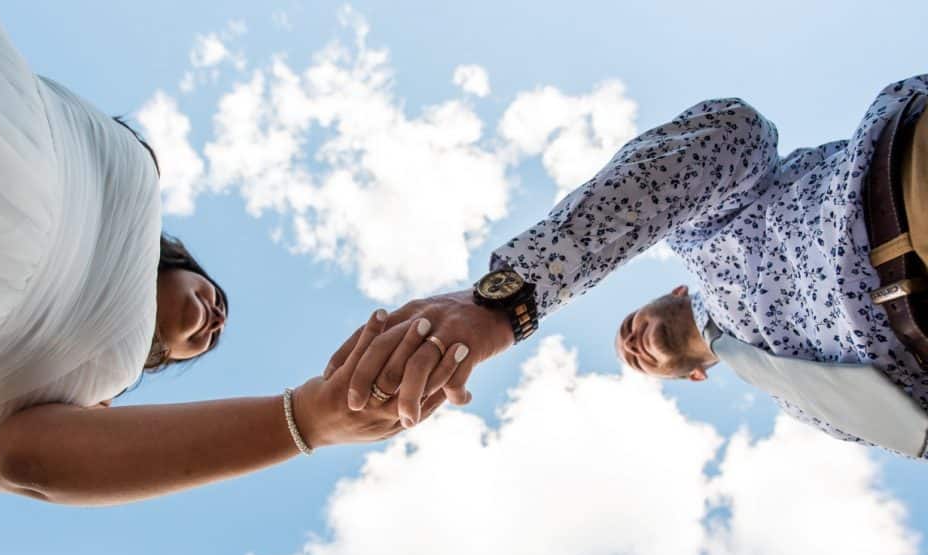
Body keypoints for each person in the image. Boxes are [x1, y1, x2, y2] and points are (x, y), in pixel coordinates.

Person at [0, 1, 468, 506]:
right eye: (218, 298)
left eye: (205, 341)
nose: (218, 319)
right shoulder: (129, 187)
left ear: (157, 357)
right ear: (175, 262)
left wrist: (310, 419)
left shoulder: (91, 396)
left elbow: (13, 460)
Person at [328, 75, 928, 455]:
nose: (633, 344)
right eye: (638, 361)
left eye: (630, 326)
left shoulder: (702, 233)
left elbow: (733, 133)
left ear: (672, 288)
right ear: (695, 377)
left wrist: (507, 298)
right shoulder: (798, 400)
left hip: (905, 190)